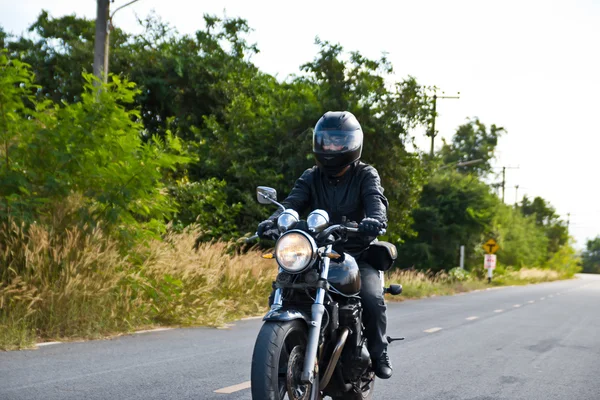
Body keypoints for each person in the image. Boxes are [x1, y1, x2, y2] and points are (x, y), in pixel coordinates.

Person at [256, 111, 393, 379]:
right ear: (318, 143)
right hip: (317, 252)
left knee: (372, 299)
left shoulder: (366, 174)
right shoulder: (311, 176)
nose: (331, 148)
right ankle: (278, 351)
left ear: (353, 144)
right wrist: (273, 220)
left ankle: (379, 351)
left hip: (358, 253)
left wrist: (374, 219)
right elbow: (292, 202)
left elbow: (375, 201)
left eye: (338, 142)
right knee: (285, 285)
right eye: (327, 141)